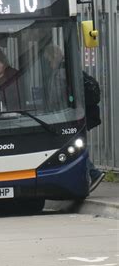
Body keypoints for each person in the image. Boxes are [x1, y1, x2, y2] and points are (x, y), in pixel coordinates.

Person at [44, 45, 104, 193]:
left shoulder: (60, 73)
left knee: (74, 148)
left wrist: (53, 116)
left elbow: (58, 100)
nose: (48, 63)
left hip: (67, 119)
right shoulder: (70, 69)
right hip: (76, 116)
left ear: (53, 58)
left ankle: (93, 174)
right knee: (75, 147)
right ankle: (92, 174)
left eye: (48, 60)